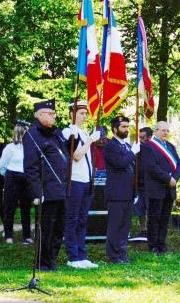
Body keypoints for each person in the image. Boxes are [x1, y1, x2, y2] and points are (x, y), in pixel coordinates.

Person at [23, 99, 69, 271]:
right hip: (46, 190)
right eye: (50, 114)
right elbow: (31, 168)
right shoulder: (32, 135)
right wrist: (37, 192)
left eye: (54, 113)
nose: (54, 116)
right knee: (46, 229)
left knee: (59, 229)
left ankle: (52, 260)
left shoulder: (55, 133)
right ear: (40, 114)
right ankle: (42, 263)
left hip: (61, 188)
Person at [62, 100, 100, 269]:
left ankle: (82, 255)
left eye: (86, 113)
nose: (85, 116)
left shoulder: (83, 133)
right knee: (73, 219)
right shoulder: (68, 131)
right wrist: (91, 140)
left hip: (86, 181)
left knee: (83, 220)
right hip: (74, 180)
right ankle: (73, 256)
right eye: (81, 113)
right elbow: (76, 156)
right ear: (72, 114)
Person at [103, 115, 140, 264]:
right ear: (114, 129)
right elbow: (120, 163)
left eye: (127, 126)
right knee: (115, 225)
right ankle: (114, 255)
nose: (126, 129)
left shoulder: (126, 146)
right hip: (116, 193)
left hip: (128, 192)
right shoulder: (110, 146)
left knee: (125, 226)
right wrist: (133, 153)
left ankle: (122, 253)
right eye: (123, 127)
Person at [144, 121, 180, 255]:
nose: (165, 133)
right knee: (155, 218)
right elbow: (152, 167)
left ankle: (162, 243)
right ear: (156, 131)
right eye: (163, 130)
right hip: (156, 188)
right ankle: (153, 245)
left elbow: (179, 164)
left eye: (167, 130)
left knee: (165, 218)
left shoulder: (170, 146)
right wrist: (168, 178)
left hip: (169, 188)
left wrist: (175, 179)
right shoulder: (149, 146)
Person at [0, 123, 33, 245]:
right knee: (10, 207)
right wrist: (8, 177)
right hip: (12, 177)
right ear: (20, 133)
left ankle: (27, 236)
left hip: (26, 178)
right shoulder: (9, 148)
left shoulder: (30, 148)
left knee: (26, 208)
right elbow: (2, 165)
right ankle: (8, 235)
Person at [133, 126, 153, 238]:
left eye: (143, 138)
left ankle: (151, 229)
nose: (140, 140)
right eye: (139, 137)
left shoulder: (153, 149)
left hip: (150, 184)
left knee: (150, 207)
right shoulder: (137, 148)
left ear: (149, 138)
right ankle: (143, 229)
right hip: (138, 182)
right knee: (140, 207)